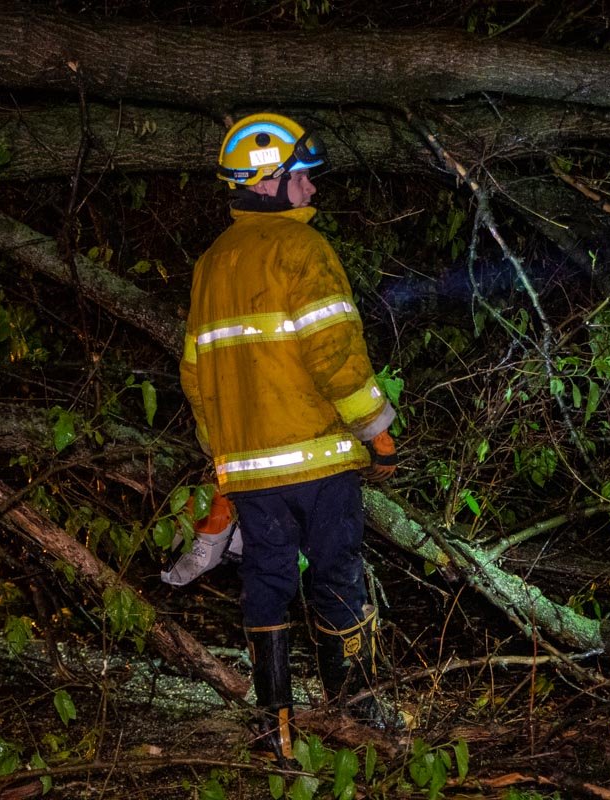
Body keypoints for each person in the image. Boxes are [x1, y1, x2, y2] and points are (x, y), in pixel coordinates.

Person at [178, 113, 398, 762]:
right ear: (269, 180)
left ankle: (274, 732)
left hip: (251, 476)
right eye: (301, 177)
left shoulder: (210, 266)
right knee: (336, 575)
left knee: (267, 585)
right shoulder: (302, 250)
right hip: (320, 460)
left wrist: (225, 461)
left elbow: (196, 380)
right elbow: (338, 358)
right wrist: (377, 433)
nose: (311, 190)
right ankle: (359, 715)